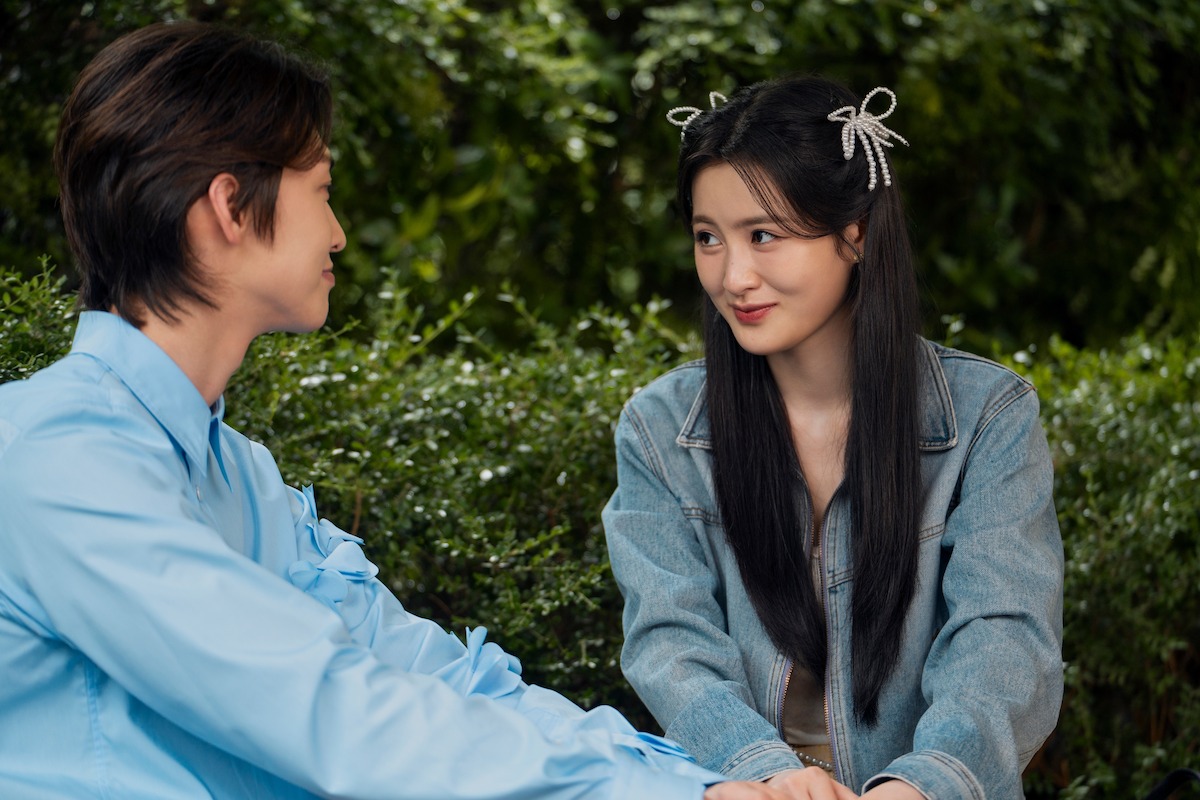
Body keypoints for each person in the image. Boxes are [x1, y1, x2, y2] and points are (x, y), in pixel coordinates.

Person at [0, 21, 791, 800]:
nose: (339, 234)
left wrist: (705, 785)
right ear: (230, 209)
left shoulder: (239, 475)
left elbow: (438, 674)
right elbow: (336, 713)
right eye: (323, 191)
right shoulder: (56, 458)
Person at [602, 76, 1064, 800]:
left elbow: (1003, 644)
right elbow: (671, 644)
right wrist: (766, 774)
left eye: (764, 235)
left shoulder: (988, 417)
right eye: (707, 238)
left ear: (856, 232)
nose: (734, 276)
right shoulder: (661, 430)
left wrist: (921, 785)